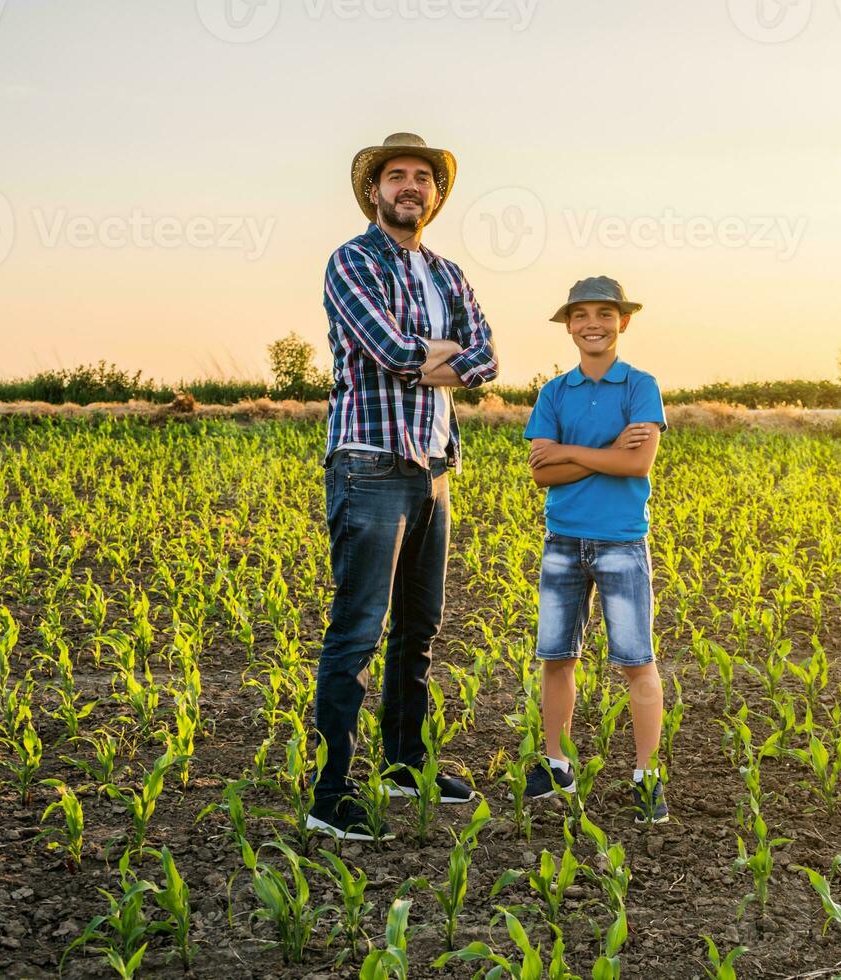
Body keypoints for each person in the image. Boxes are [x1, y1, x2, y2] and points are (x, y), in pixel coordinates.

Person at [309, 133, 499, 841]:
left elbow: (488, 359)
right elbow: (388, 352)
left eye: (423, 177)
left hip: (433, 466)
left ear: (436, 195)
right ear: (375, 192)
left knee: (418, 630)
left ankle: (403, 764)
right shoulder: (352, 261)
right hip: (370, 462)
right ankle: (330, 794)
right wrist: (441, 353)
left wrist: (435, 359)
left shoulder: (449, 273)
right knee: (358, 631)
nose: (410, 186)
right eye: (397, 177)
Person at [522, 276, 670, 824]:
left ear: (622, 322)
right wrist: (605, 449)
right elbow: (541, 473)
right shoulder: (553, 392)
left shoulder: (640, 386)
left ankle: (646, 776)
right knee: (556, 658)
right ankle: (557, 764)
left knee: (636, 661)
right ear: (568, 324)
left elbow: (638, 465)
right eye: (580, 314)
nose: (592, 324)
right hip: (562, 539)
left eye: (604, 314)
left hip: (621, 542)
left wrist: (570, 454)